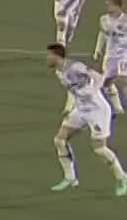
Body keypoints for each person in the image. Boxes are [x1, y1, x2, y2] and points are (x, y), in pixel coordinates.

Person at [47, 43, 127, 195]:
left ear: (57, 56)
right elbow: (73, 91)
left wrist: (93, 89)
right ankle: (70, 178)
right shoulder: (59, 73)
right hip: (81, 110)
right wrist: (70, 107)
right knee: (59, 140)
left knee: (100, 149)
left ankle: (122, 177)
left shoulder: (75, 67)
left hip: (97, 110)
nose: (47, 59)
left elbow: (99, 76)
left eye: (49, 55)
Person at [94, 0, 127, 114]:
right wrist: (98, 49)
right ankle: (118, 107)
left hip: (124, 54)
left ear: (117, 6)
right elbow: (102, 34)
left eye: (110, 4)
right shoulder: (104, 19)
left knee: (123, 80)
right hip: (110, 55)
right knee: (107, 83)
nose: (107, 6)